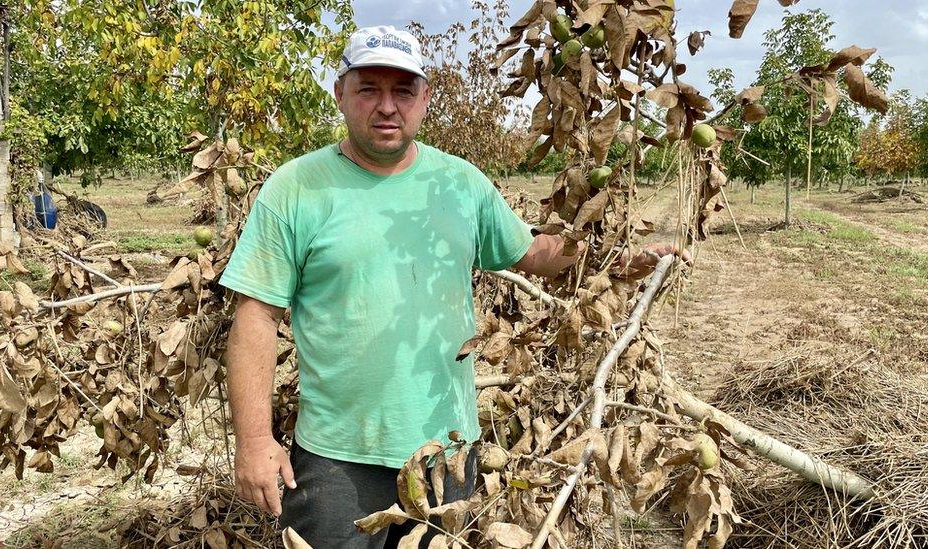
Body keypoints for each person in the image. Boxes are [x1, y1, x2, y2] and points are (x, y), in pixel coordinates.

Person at [219, 25, 682, 549]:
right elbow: (256, 316)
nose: (387, 106)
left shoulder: (459, 182)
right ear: (340, 94)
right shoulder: (295, 189)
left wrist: (614, 257)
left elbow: (534, 252)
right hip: (336, 462)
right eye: (369, 88)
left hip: (448, 455)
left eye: (403, 91)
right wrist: (255, 441)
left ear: (425, 97)